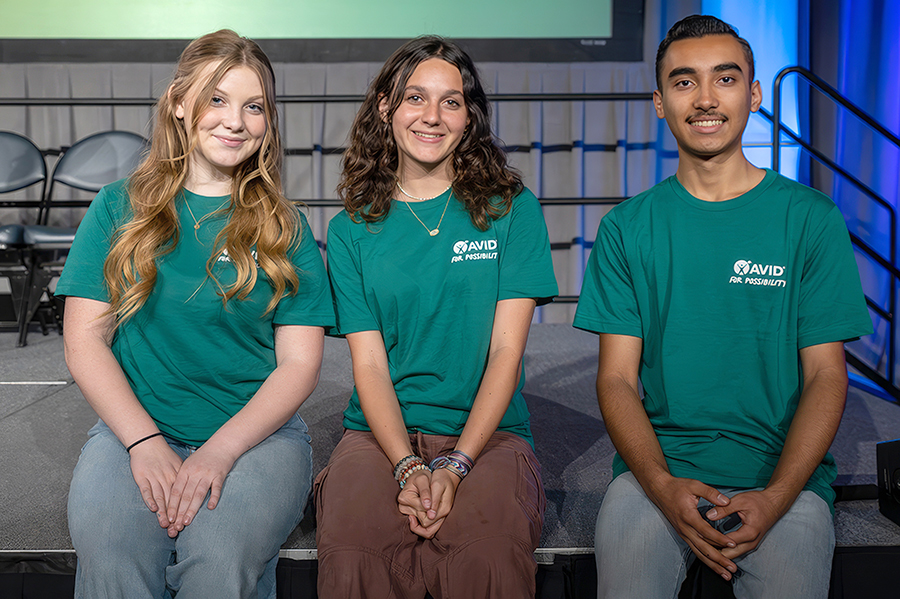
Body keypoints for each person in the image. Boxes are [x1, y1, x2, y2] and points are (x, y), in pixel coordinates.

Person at [573, 15, 872, 599]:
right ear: (659, 103)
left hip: (784, 481)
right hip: (655, 477)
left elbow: (825, 376)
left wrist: (778, 495)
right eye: (684, 83)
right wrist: (661, 484)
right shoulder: (626, 228)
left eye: (726, 79)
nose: (706, 99)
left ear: (754, 94)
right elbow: (615, 380)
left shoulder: (810, 219)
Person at [57, 30, 334, 599]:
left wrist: (219, 452)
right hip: (134, 429)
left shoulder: (287, 228)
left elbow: (299, 367)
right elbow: (85, 340)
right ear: (180, 104)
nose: (236, 121)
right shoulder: (118, 207)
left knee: (220, 559)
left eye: (253, 106)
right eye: (217, 99)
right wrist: (144, 443)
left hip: (257, 437)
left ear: (267, 121)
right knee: (112, 553)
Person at [314, 35, 558, 598]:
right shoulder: (352, 228)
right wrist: (405, 465)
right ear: (385, 107)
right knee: (353, 559)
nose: (432, 116)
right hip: (379, 438)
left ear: (469, 117)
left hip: (488, 434)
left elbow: (506, 353)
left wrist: (457, 464)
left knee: (490, 559)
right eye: (415, 98)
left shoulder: (510, 209)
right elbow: (370, 367)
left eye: (451, 101)